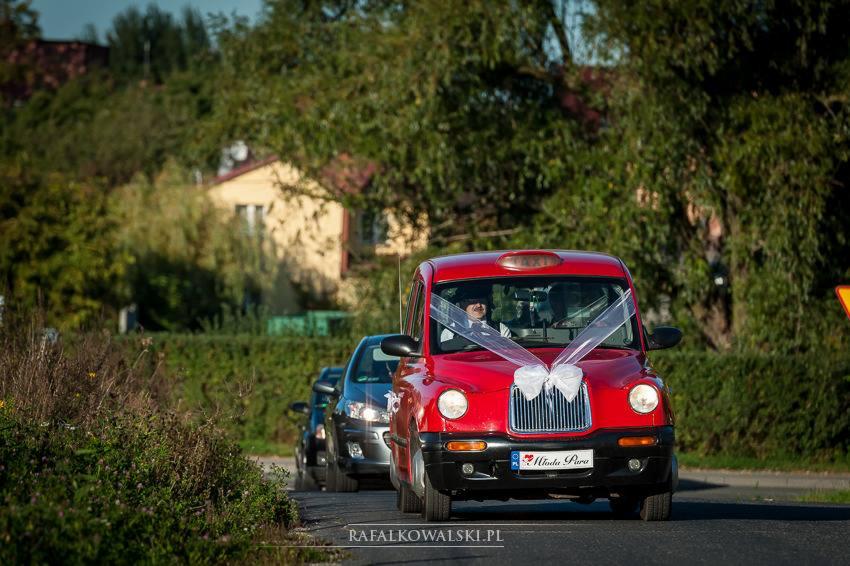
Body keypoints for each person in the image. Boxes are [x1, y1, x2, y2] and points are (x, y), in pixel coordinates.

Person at [440, 289, 511, 343]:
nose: (479, 305)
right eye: (473, 301)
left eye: (482, 301)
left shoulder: (501, 329)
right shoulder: (451, 332)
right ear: (462, 305)